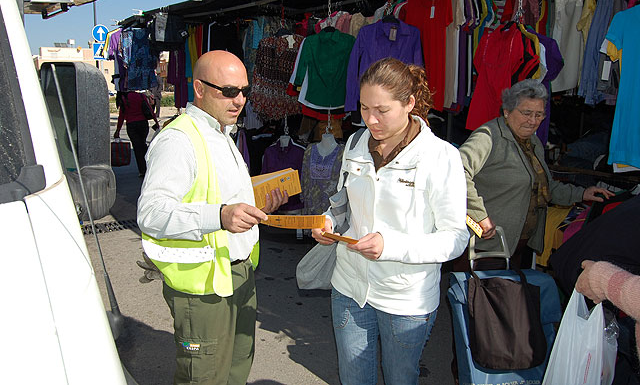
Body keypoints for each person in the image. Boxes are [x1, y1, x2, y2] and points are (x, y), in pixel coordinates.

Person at [311, 57, 469, 385]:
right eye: (364, 108)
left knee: (400, 378)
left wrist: (391, 245)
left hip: (405, 298)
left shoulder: (442, 157)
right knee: (354, 378)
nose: (371, 119)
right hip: (348, 287)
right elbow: (343, 203)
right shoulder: (355, 143)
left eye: (382, 110)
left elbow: (455, 237)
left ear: (410, 103)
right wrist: (328, 223)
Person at [137, 50, 288, 385]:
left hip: (237, 272)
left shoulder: (221, 133)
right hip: (202, 286)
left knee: (235, 369)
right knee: (204, 377)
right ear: (200, 89)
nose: (240, 101)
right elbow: (151, 213)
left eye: (244, 91)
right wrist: (220, 216)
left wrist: (259, 203)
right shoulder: (179, 140)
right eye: (229, 91)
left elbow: (220, 195)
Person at [458, 79, 614, 270]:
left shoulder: (532, 142)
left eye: (539, 115)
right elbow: (456, 173)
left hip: (516, 244)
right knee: (481, 297)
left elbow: (544, 185)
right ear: (507, 111)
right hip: (487, 246)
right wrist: (479, 216)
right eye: (526, 113)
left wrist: (581, 194)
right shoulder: (489, 137)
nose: (533, 121)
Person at [113, 91, 159, 177]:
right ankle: (149, 167)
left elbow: (121, 116)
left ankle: (142, 170)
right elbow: (149, 108)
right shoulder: (141, 96)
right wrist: (156, 122)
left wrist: (118, 130)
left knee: (137, 148)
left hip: (131, 125)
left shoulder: (124, 98)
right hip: (143, 124)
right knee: (143, 145)